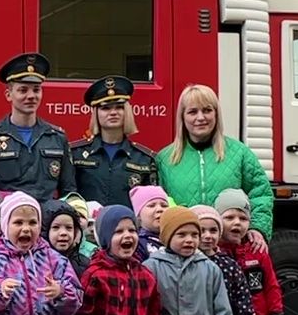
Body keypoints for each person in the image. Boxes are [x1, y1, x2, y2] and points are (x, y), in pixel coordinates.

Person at [156, 84, 273, 240]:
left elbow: (261, 193)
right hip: (185, 249)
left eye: (207, 110)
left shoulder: (239, 153)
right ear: (182, 117)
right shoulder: (165, 159)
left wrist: (258, 228)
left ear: (216, 114)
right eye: (192, 112)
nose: (200, 118)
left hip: (228, 249)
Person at [0, 53, 78, 199]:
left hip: (47, 218)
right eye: (23, 90)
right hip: (8, 218)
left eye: (36, 89)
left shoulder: (57, 138)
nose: (31, 96)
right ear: (8, 94)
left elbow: (69, 191)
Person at [70, 76, 161, 209]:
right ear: (96, 113)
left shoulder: (144, 159)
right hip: (88, 228)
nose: (113, 113)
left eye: (119, 107)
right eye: (105, 108)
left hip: (128, 229)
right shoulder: (75, 154)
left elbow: (150, 206)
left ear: (127, 112)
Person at [130, 186, 169, 261]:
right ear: (138, 215)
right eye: (151, 205)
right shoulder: (137, 244)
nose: (159, 209)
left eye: (164, 205)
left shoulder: (178, 238)